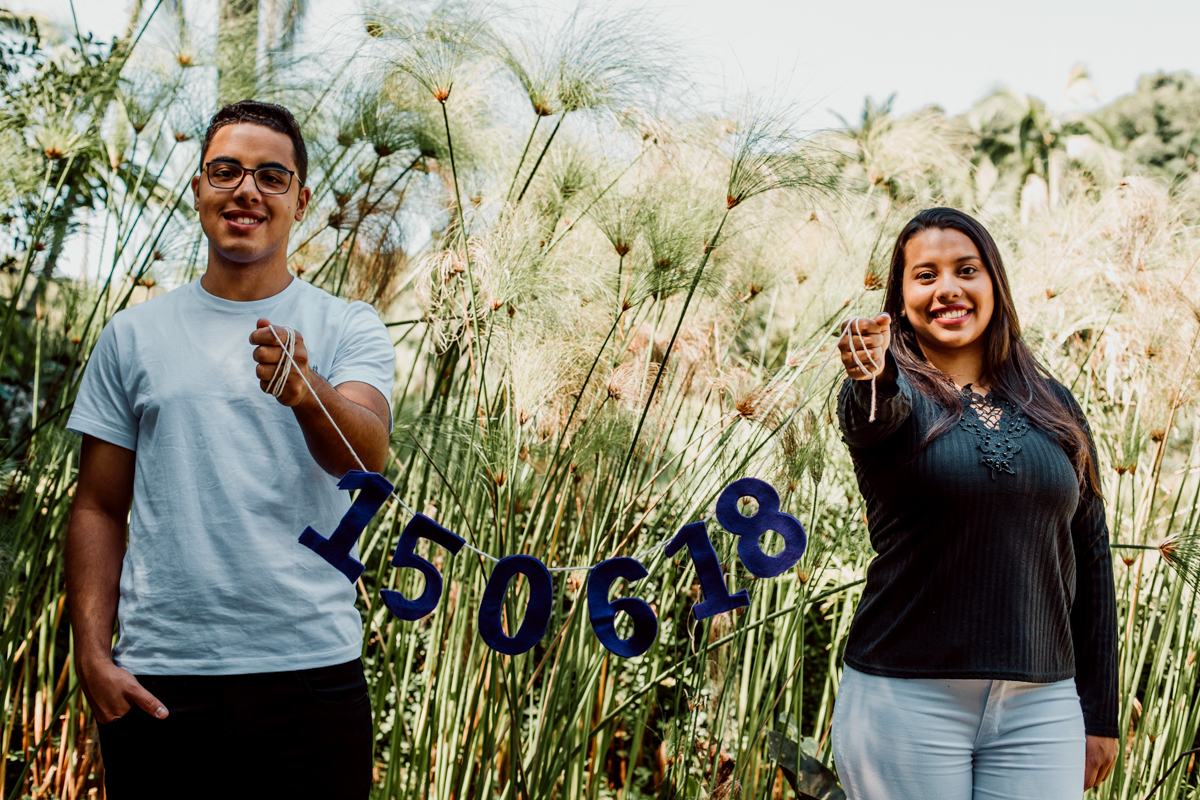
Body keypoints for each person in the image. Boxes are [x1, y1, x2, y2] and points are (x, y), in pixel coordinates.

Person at [64, 100, 396, 799]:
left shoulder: (347, 325)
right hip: (162, 680)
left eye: (272, 176)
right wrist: (92, 653)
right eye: (227, 171)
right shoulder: (133, 334)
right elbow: (98, 505)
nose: (247, 190)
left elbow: (367, 459)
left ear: (300, 201)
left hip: (313, 679)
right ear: (199, 191)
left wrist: (309, 391)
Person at [829, 208, 1118, 799]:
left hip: (1043, 704)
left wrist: (1101, 712)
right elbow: (870, 416)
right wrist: (870, 373)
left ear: (994, 285)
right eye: (925, 275)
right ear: (901, 297)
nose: (948, 289)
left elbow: (1090, 554)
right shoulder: (891, 392)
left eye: (967, 269)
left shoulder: (1054, 403)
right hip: (905, 699)